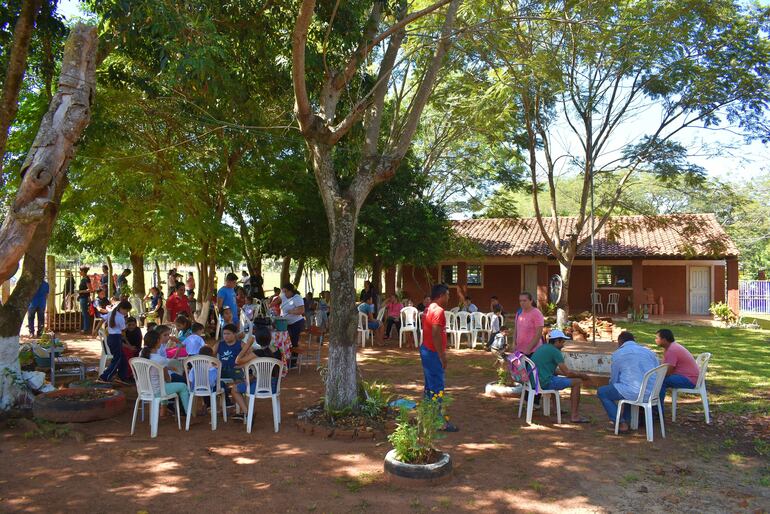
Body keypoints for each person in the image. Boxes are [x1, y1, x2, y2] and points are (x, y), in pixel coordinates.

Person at [597, 331, 660, 433]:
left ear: (620, 342)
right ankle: (628, 420)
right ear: (633, 341)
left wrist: (613, 386)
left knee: (602, 392)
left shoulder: (618, 354)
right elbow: (657, 371)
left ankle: (621, 423)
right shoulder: (649, 352)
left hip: (634, 391)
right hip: (652, 393)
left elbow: (614, 379)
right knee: (626, 389)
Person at [530, 329, 590, 423]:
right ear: (557, 341)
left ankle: (555, 409)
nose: (563, 344)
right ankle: (575, 416)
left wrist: (572, 374)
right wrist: (581, 375)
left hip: (534, 381)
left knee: (556, 378)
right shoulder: (555, 351)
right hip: (543, 382)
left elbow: (555, 371)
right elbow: (567, 373)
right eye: (562, 341)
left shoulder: (544, 347)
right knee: (577, 382)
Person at [420, 284, 458, 432]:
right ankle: (438, 422)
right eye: (448, 295)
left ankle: (427, 416)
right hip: (433, 352)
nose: (449, 297)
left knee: (430, 386)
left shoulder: (429, 308)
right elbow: (436, 334)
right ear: (441, 295)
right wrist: (442, 356)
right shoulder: (439, 311)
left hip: (426, 350)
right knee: (437, 387)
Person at [139, 330, 189, 416]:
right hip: (157, 391)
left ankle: (163, 411)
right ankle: (189, 414)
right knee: (183, 386)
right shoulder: (160, 359)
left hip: (143, 390)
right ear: (158, 341)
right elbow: (168, 379)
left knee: (163, 384)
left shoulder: (141, 354)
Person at [655, 329, 700, 407]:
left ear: (664, 340)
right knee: (659, 379)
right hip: (688, 377)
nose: (655, 340)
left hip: (689, 380)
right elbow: (664, 366)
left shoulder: (672, 350)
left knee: (661, 381)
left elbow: (668, 372)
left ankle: (657, 410)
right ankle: (656, 408)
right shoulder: (671, 347)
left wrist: (654, 375)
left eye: (657, 338)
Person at [99, 300, 133, 383]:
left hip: (111, 337)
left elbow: (102, 319)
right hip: (116, 338)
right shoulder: (120, 317)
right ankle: (105, 376)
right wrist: (127, 325)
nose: (126, 313)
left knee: (123, 359)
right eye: (126, 311)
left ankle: (122, 376)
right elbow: (123, 329)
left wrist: (96, 329)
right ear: (122, 308)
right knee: (117, 359)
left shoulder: (111, 313)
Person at [280, 283, 305, 365]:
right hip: (288, 323)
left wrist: (292, 311)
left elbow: (301, 311)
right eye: (283, 292)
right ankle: (287, 360)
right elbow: (277, 299)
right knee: (287, 342)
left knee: (293, 342)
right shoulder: (284, 296)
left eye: (286, 292)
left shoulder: (297, 298)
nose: (284, 294)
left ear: (291, 291)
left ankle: (293, 362)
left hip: (296, 323)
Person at [513, 292, 544, 356]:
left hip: (533, 351)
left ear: (531, 300)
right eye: (520, 301)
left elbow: (539, 333)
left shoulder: (536, 313)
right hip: (519, 349)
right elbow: (516, 329)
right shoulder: (519, 312)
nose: (522, 303)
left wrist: (529, 348)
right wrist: (514, 343)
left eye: (524, 300)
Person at [77, 266, 92, 333]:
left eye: (80, 271)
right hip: (82, 297)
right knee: (84, 313)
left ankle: (86, 329)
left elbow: (90, 289)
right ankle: (85, 328)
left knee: (85, 313)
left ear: (83, 271)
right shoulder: (84, 278)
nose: (79, 272)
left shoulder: (86, 278)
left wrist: (80, 291)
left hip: (84, 298)